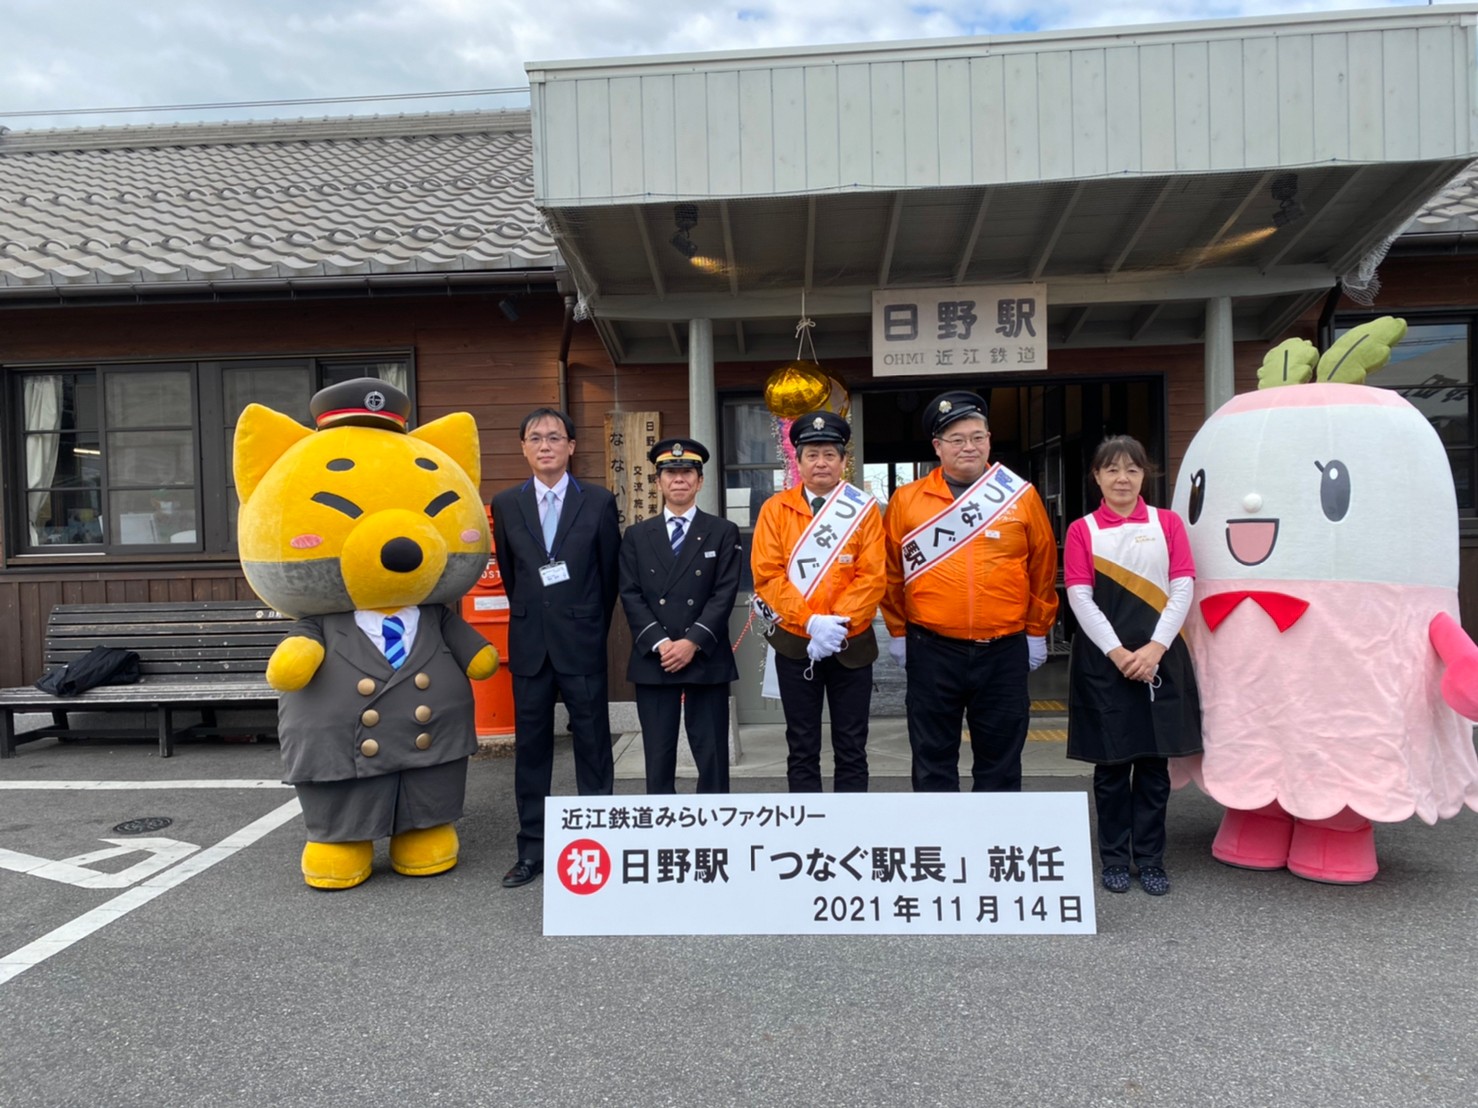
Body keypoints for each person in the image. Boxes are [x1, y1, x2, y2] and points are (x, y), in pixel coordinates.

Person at [881, 390, 1058, 793]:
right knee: (932, 758)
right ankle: (942, 847)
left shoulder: (1020, 496)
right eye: (957, 439)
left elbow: (1041, 567)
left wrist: (1036, 631)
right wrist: (897, 632)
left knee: (1001, 759)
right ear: (937, 447)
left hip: (1004, 649)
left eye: (977, 437)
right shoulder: (907, 500)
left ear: (990, 441)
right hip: (931, 648)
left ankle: (992, 846)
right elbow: (890, 573)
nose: (969, 447)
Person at [1065, 436, 1202, 895]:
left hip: (1160, 659)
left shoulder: (1168, 524)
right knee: (1109, 769)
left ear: (1145, 475)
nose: (1122, 478)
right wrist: (1119, 653)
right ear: (1097, 477)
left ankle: (1151, 858)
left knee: (1152, 769)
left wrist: (1155, 648)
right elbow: (1079, 597)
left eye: (1132, 469)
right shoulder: (1083, 530)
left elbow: (1184, 586)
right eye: (1112, 470)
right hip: (1106, 664)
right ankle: (1114, 858)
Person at [491, 407, 621, 888]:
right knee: (532, 749)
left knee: (592, 744)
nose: (545, 445)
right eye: (535, 438)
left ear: (571, 446)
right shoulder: (506, 503)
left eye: (554, 437)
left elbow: (608, 577)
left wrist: (586, 622)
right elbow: (511, 573)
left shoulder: (598, 501)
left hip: (582, 638)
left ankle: (600, 841)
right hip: (529, 644)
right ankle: (532, 850)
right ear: (523, 447)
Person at [751, 410, 886, 792]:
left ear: (844, 461)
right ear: (798, 462)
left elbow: (873, 575)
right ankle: (807, 829)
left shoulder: (864, 510)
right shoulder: (775, 510)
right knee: (802, 744)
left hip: (852, 642)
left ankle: (850, 827)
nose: (821, 462)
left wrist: (837, 622)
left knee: (852, 745)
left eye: (830, 454)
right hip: (797, 643)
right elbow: (768, 575)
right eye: (812, 454)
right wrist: (811, 622)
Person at [618, 438, 743, 793]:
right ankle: (662, 829)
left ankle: (716, 826)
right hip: (655, 656)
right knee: (658, 753)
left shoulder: (722, 531)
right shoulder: (637, 535)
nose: (679, 479)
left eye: (687, 472)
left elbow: (724, 593)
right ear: (658, 482)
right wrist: (661, 644)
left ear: (699, 481)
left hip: (704, 652)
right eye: (670, 473)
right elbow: (630, 593)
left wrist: (692, 642)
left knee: (713, 753)